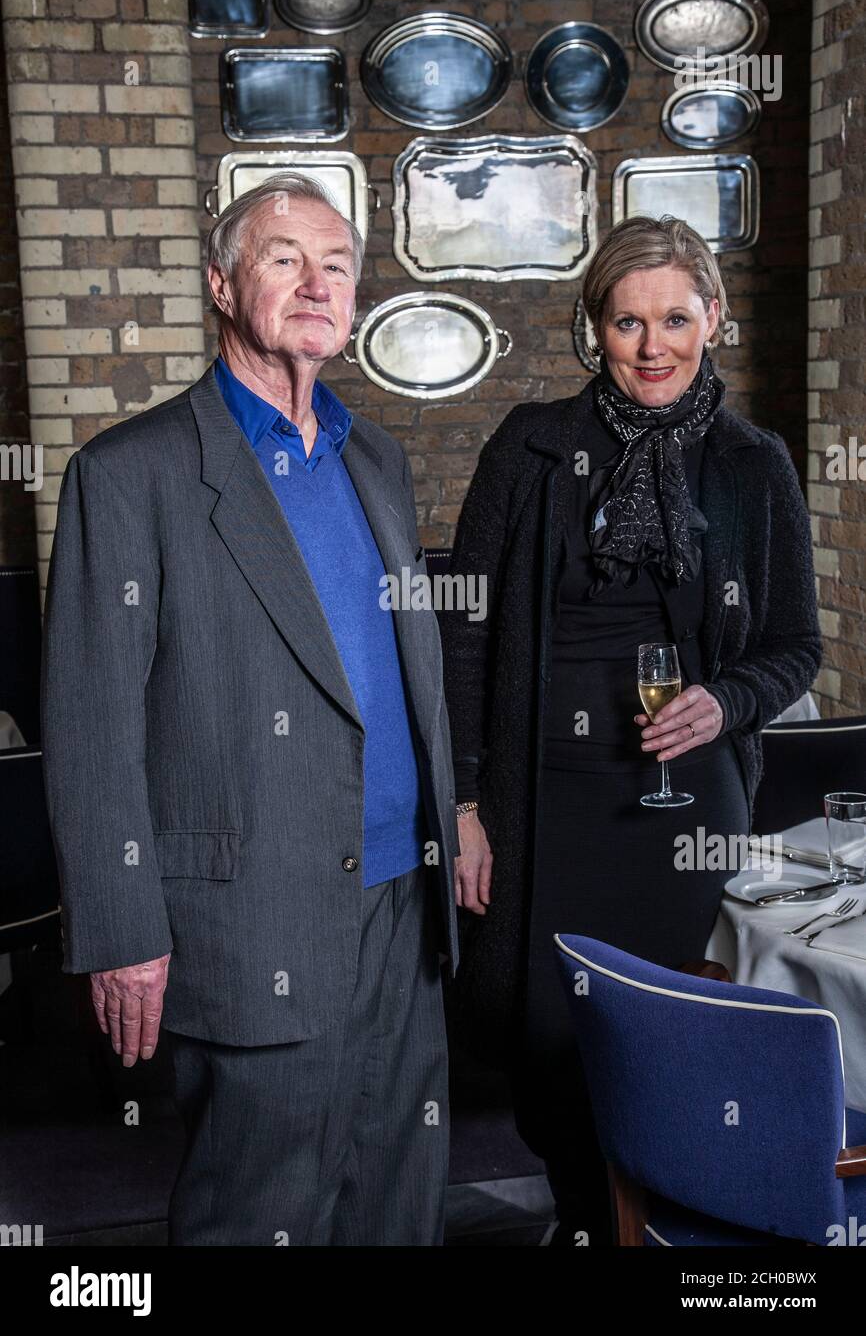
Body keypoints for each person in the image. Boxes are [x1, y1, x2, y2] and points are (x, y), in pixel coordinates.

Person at [41, 173, 459, 1246]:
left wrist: (451, 807)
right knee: (262, 1210)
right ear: (222, 284)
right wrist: (122, 930)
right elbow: (90, 726)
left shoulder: (378, 459)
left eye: (337, 264)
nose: (316, 283)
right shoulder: (129, 475)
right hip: (250, 915)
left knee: (398, 1195)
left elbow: (401, 665)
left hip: (401, 910)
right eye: (285, 258)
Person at [440, 215, 822, 1245]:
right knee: (548, 1033)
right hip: (541, 799)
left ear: (712, 321)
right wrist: (466, 803)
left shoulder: (752, 463)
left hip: (682, 805)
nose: (651, 345)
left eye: (673, 318)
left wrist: (724, 700)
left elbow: (794, 646)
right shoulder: (529, 446)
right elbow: (461, 634)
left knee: (675, 1040)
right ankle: (584, 1215)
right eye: (625, 321)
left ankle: (662, 1227)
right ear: (591, 330)